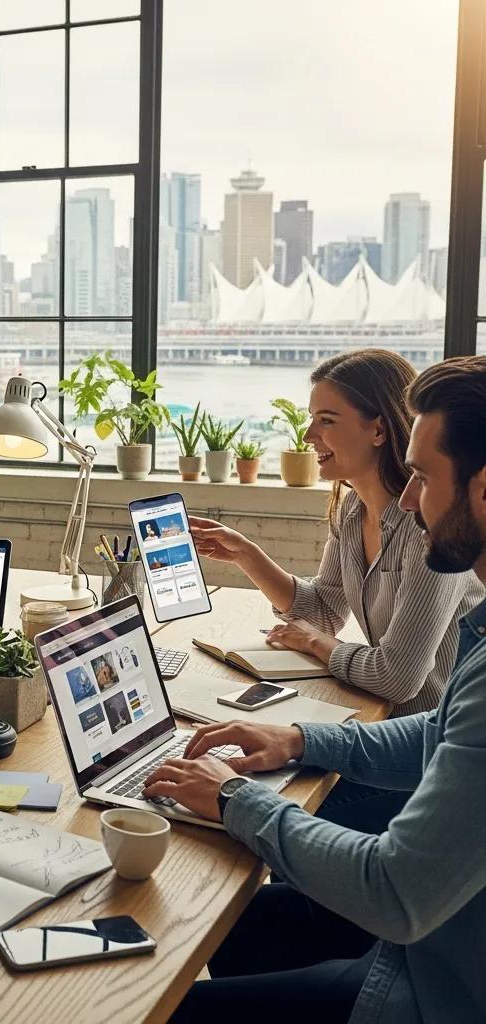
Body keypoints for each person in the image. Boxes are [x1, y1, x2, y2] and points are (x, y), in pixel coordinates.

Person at [147, 356, 486, 1023]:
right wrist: (299, 738)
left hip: (435, 983)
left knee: (164, 997)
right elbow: (441, 726)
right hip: (425, 937)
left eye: (423, 477)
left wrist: (235, 798)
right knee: (199, 921)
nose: (410, 504)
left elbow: (394, 890)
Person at [189, 349, 483, 831]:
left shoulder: (430, 528)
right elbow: (322, 608)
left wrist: (317, 645)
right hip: (388, 730)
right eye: (311, 420)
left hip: (419, 762)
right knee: (247, 772)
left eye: (325, 420)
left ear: (378, 429)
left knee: (262, 801)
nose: (309, 436)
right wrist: (247, 555)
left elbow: (396, 678)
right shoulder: (352, 510)